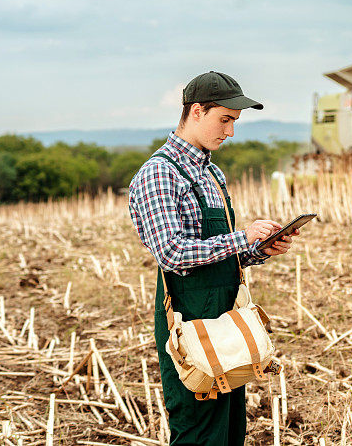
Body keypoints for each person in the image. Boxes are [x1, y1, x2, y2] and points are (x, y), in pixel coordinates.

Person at [128, 70, 299, 445]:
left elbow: (217, 250)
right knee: (197, 428)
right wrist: (240, 238)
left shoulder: (212, 173)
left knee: (228, 429)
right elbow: (173, 253)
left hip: (226, 317)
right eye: (225, 120)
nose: (230, 132)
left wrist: (257, 249)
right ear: (195, 112)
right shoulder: (160, 173)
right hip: (189, 320)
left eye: (234, 122)